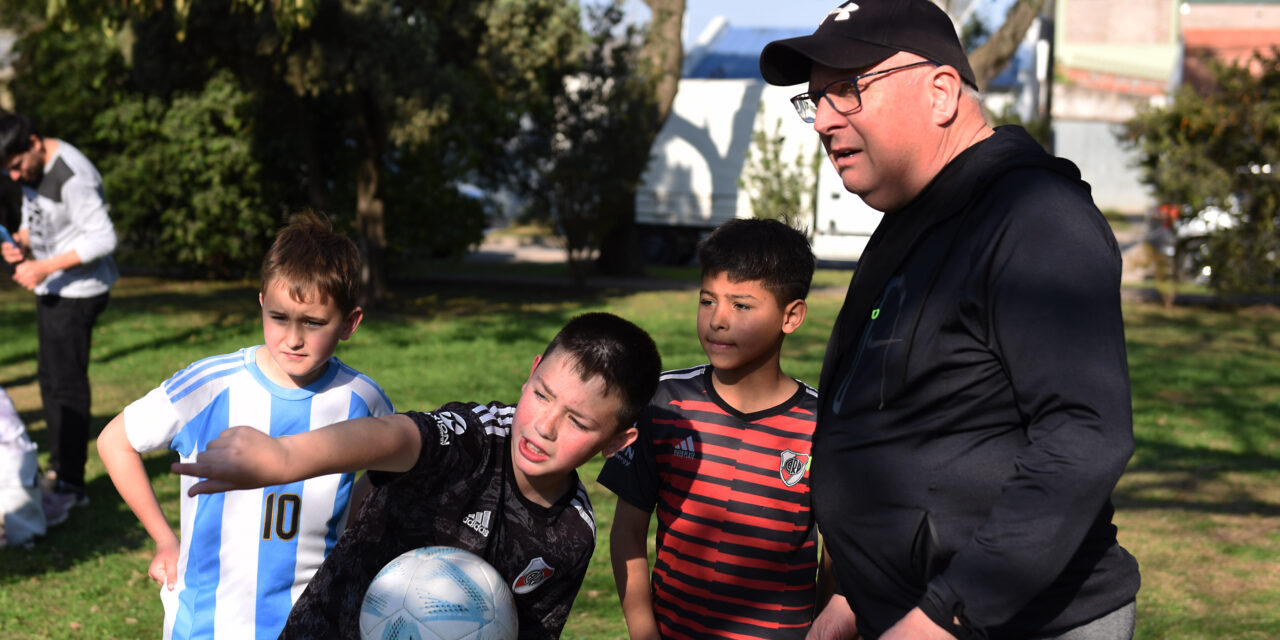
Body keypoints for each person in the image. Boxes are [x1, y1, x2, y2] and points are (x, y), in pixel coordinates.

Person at [757, 2, 1142, 639]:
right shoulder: (917, 218)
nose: (822, 120)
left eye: (848, 90)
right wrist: (855, 590)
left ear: (941, 93)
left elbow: (1084, 437)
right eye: (815, 98)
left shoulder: (1034, 217)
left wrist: (953, 609)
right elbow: (915, 414)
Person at [171, 311, 662, 640]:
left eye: (578, 422)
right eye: (542, 393)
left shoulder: (571, 535)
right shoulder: (472, 439)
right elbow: (395, 437)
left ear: (617, 442)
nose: (544, 425)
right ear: (531, 372)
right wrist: (283, 457)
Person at [96, 211, 395, 639]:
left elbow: (390, 473)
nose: (293, 338)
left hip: (314, 621)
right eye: (278, 317)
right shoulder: (210, 386)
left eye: (313, 323)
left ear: (350, 322)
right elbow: (114, 442)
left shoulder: (363, 400)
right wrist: (164, 539)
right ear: (260, 304)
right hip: (207, 624)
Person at [599, 218, 854, 639]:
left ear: (791, 316)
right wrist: (644, 633)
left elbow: (835, 553)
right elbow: (627, 531)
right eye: (707, 301)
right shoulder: (664, 403)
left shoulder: (823, 424)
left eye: (741, 305)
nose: (718, 320)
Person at [0, 112, 119, 525]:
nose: (15, 176)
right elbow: (42, 221)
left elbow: (104, 237)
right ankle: (58, 471)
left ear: (34, 142)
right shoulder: (34, 171)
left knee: (66, 386)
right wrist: (21, 242)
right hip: (54, 289)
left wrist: (44, 266)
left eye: (17, 166)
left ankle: (70, 484)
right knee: (50, 381)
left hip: (78, 293)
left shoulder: (71, 173)